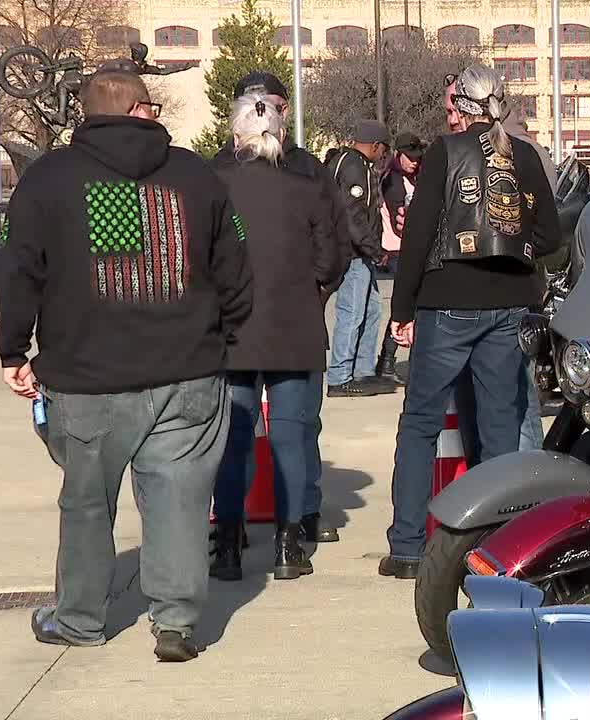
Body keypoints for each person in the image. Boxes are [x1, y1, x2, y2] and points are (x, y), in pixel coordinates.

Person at [0, 69, 253, 662]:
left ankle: (79, 619)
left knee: (86, 501)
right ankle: (178, 622)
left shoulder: (48, 179)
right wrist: (223, 335)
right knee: (181, 499)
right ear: (143, 110)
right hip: (188, 371)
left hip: (88, 377)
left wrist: (13, 348)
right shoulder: (196, 175)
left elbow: (18, 268)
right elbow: (236, 266)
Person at [382, 63, 561, 578]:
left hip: (447, 302)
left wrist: (403, 308)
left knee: (420, 423)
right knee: (500, 428)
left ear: (462, 109)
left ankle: (410, 546)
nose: (446, 118)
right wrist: (514, 239)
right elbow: (550, 237)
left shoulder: (445, 154)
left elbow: (417, 238)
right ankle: (496, 547)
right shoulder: (524, 156)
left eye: (448, 109)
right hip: (508, 303)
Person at [208, 94, 342, 582]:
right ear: (279, 135)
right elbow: (332, 261)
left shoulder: (215, 186)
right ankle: (288, 542)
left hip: (234, 326)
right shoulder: (305, 188)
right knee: (289, 434)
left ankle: (227, 542)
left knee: (234, 434)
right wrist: (308, 290)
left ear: (236, 135)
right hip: (294, 324)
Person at [441, 74, 550, 455]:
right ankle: (489, 490)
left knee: (516, 405)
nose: (451, 118)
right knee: (480, 406)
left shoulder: (525, 154)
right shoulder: (458, 152)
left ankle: (525, 493)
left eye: (455, 109)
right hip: (468, 303)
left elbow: (547, 232)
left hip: (513, 301)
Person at [324, 120, 395, 398]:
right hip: (353, 253)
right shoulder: (353, 166)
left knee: (372, 310)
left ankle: (362, 371)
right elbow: (352, 217)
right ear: (375, 146)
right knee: (352, 313)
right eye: (383, 150)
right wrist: (374, 250)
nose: (383, 156)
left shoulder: (354, 163)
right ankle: (341, 376)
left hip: (360, 253)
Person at [374, 132, 426, 385]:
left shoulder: (411, 178)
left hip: (408, 247)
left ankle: (391, 361)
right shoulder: (393, 180)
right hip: (397, 249)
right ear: (398, 155)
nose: (414, 162)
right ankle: (387, 361)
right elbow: (398, 223)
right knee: (406, 305)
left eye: (418, 157)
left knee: (411, 305)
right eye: (410, 157)